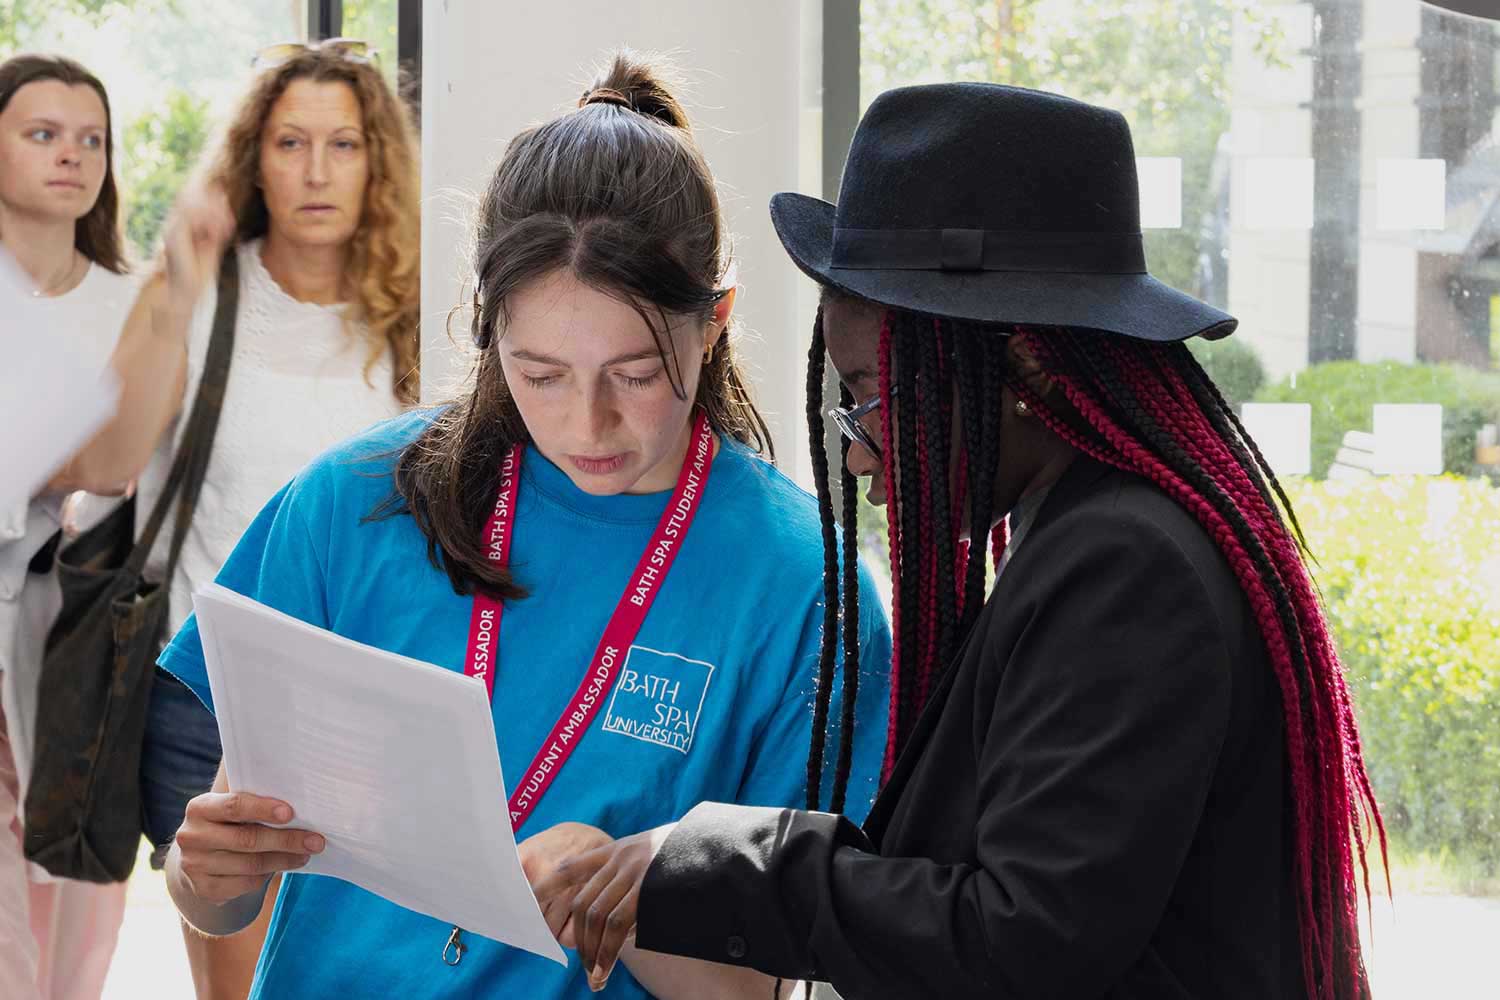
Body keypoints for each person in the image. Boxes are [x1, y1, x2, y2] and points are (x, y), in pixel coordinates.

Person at [535, 82, 1387, 1000]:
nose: (857, 453)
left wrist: (722, 861)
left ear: (1019, 369)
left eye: (869, 394)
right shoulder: (1092, 529)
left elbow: (1022, 937)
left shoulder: (1124, 568)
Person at [152, 53, 891, 1000]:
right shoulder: (353, 502)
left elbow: (758, 989)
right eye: (539, 373)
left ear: (716, 322)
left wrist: (620, 895)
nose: (588, 424)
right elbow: (220, 887)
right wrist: (204, 875)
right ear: (487, 327)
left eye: (634, 372)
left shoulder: (806, 589)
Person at [48, 37, 422, 997]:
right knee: (242, 985)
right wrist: (174, 288)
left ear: (377, 161)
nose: (315, 171)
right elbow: (105, 463)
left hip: (374, 697)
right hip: (209, 697)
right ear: (255, 157)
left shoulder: (414, 312)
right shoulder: (197, 295)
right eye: (291, 142)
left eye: (343, 145)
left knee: (378, 969)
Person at [0, 53, 135, 1000]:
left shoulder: (135, 308)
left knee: (80, 912)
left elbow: (147, 477)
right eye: (42, 134)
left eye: (90, 139)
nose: (71, 157)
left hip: (87, 639)